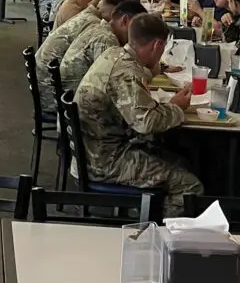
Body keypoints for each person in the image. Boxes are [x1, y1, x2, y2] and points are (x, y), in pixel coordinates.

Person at [75, 13, 203, 217]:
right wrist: (176, 107)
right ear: (157, 45)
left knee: (182, 161)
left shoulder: (114, 54)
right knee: (189, 185)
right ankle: (163, 236)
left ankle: (152, 215)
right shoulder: (126, 72)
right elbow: (146, 123)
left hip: (95, 149)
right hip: (105, 161)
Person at [34, 0, 112, 113]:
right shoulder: (93, 23)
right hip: (51, 95)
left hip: (49, 85)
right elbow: (107, 73)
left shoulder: (86, 14)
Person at [60, 0, 146, 93]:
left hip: (71, 92)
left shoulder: (100, 29)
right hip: (72, 96)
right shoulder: (106, 39)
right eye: (137, 28)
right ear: (125, 20)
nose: (138, 35)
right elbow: (117, 84)